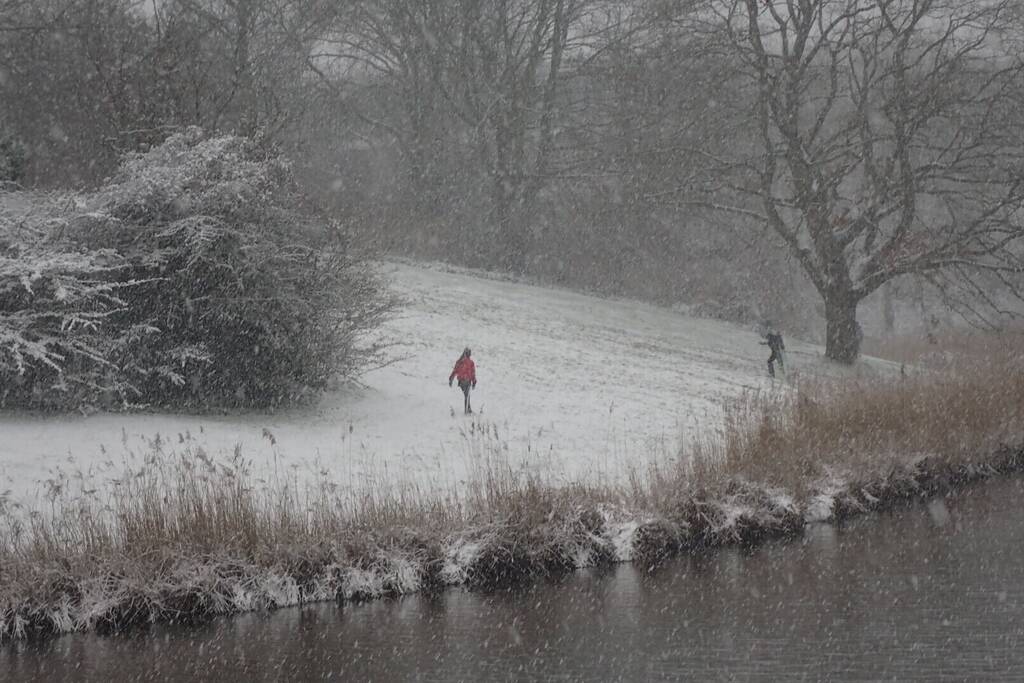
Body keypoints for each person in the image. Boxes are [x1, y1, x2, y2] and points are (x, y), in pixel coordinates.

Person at [448, 347, 477, 414]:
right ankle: (467, 410)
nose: (469, 354)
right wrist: (474, 382)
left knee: (467, 395)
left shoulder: (460, 362)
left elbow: (455, 371)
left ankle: (468, 409)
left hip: (463, 381)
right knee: (467, 395)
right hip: (466, 381)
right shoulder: (467, 362)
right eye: (469, 353)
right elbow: (473, 373)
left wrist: (451, 379)